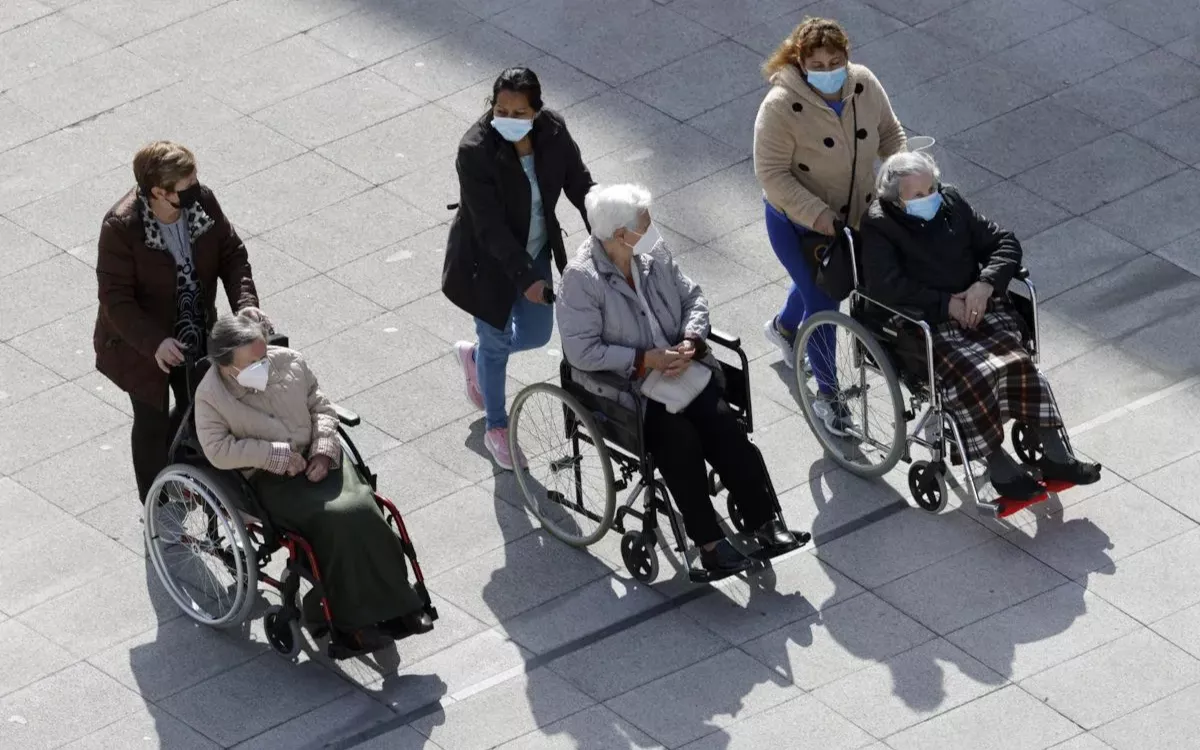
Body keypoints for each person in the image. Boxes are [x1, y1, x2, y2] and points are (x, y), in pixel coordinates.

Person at [556, 184, 810, 575]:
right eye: (644, 224)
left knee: (725, 425)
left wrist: (691, 340)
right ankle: (709, 545)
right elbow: (581, 352)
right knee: (680, 442)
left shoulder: (652, 253)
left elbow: (694, 298)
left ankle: (765, 523)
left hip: (682, 370)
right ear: (620, 236)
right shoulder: (581, 280)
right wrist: (644, 360)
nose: (652, 229)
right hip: (631, 391)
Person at [861, 152, 1102, 501]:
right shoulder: (879, 225)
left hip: (979, 306)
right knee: (972, 373)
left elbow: (1004, 242)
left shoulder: (952, 203)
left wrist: (985, 284)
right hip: (926, 319)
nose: (928, 198)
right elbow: (887, 286)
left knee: (1018, 360)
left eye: (932, 189)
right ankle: (996, 462)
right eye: (917, 195)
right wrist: (947, 304)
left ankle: (1055, 454)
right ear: (895, 198)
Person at [194, 314, 434, 655]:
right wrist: (275, 456)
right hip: (272, 477)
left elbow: (321, 407)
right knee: (336, 520)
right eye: (253, 361)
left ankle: (400, 604)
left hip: (321, 459)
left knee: (365, 509)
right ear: (226, 364)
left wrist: (323, 450)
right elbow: (218, 450)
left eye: (264, 356)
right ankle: (348, 622)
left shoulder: (290, 362)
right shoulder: (210, 396)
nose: (264, 364)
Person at [753, 16, 907, 434]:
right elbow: (771, 174)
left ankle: (784, 328)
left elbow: (890, 135)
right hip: (797, 222)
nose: (826, 70)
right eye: (817, 64)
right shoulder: (780, 107)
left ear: (847, 58)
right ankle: (828, 396)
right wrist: (818, 215)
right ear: (801, 62)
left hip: (853, 213)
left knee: (815, 281)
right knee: (825, 297)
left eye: (834, 61)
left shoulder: (864, 85)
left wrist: (905, 175)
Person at [94, 141, 270, 504]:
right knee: (151, 420)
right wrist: (155, 343)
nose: (197, 190)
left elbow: (232, 255)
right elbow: (116, 299)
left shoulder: (202, 202)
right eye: (186, 187)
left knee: (200, 405)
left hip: (194, 329)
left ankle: (185, 476)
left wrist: (246, 306)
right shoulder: (122, 227)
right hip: (142, 344)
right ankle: (156, 507)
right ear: (159, 192)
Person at [443, 66, 595, 470]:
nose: (508, 120)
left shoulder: (554, 133)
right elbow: (490, 228)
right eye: (500, 110)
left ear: (537, 111)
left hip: (536, 252)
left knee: (535, 332)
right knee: (496, 343)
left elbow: (579, 183)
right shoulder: (474, 150)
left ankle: (476, 358)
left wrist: (607, 223)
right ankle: (496, 426)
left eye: (518, 112)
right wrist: (525, 278)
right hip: (488, 265)